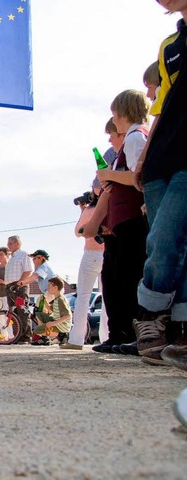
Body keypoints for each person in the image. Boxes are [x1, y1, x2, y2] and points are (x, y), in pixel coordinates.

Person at [131, 0, 187, 370]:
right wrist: (143, 156)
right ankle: (169, 329)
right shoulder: (170, 47)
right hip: (161, 155)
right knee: (163, 241)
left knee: (168, 234)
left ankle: (150, 313)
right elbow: (163, 106)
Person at [85, 90, 150, 355]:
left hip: (130, 218)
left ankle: (131, 333)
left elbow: (137, 177)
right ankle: (120, 333)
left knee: (128, 276)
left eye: (115, 116)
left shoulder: (135, 137)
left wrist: (108, 174)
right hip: (125, 218)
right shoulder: (137, 137)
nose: (114, 122)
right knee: (120, 277)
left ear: (123, 114)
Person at [62, 186, 111, 351]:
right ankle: (106, 337)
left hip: (90, 254)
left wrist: (82, 211)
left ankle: (76, 339)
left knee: (83, 297)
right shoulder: (109, 206)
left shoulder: (89, 210)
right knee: (107, 298)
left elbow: (78, 231)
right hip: (107, 254)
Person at [2, 235, 34, 343]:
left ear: (17, 244)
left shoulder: (23, 255)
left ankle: (25, 336)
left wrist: (20, 283)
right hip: (10, 287)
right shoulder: (11, 258)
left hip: (20, 287)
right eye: (8, 244)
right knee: (13, 312)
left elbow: (28, 271)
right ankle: (17, 335)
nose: (8, 246)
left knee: (23, 311)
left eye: (10, 243)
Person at [31, 277, 72, 346]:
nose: (48, 288)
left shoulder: (60, 300)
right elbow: (51, 310)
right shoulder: (56, 299)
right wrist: (44, 301)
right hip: (56, 321)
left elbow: (68, 315)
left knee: (38, 330)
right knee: (39, 314)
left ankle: (62, 335)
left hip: (61, 325)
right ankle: (46, 337)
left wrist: (54, 323)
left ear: (55, 287)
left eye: (49, 286)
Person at [0, 247, 10, 311]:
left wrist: (4, 282)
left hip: (7, 294)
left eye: (1, 254)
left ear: (7, 255)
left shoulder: (10, 267)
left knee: (7, 313)